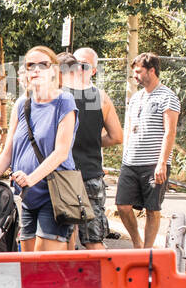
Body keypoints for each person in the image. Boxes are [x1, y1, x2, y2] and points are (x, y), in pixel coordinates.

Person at [0, 45, 77, 288]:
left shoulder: (64, 102)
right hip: (27, 199)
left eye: (41, 65)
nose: (34, 70)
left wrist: (32, 177)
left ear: (54, 70)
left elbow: (60, 152)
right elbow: (8, 151)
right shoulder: (23, 104)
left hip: (55, 196)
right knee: (29, 273)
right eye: (29, 65)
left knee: (45, 271)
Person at [116, 52, 179, 249]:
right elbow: (129, 129)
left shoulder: (168, 96)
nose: (134, 76)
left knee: (152, 209)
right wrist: (125, 155)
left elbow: (170, 132)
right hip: (131, 162)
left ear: (151, 71)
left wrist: (162, 163)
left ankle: (148, 250)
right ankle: (137, 243)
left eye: (138, 71)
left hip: (154, 164)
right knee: (122, 205)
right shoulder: (135, 98)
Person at [64, 47, 123, 250]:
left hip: (63, 175)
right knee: (93, 240)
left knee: (66, 237)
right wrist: (94, 141)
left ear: (93, 70)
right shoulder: (101, 97)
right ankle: (105, 280)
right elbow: (116, 137)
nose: (79, 69)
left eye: (83, 65)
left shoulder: (57, 96)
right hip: (91, 174)